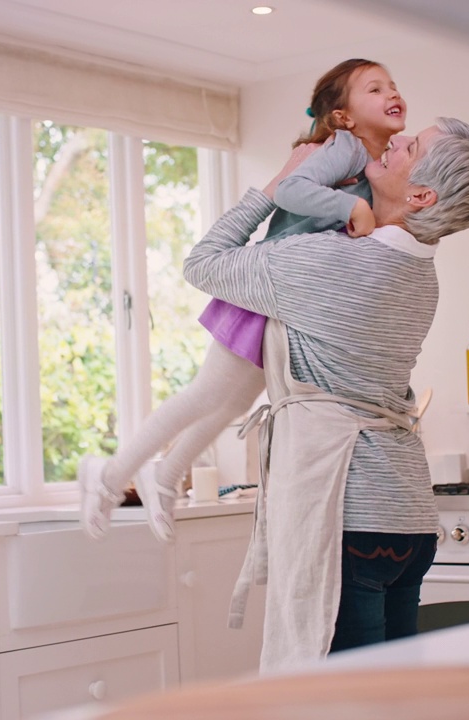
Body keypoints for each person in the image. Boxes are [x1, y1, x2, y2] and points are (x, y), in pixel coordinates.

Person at [183, 117, 469, 669]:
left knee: (344, 701)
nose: (396, 140)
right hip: (406, 517)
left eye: (412, 146)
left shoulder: (331, 263)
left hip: (348, 513)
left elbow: (203, 263)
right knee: (393, 700)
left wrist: (275, 185)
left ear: (421, 194)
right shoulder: (420, 275)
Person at [79, 59, 409, 542]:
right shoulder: (347, 148)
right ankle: (108, 475)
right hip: (266, 283)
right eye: (375, 89)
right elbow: (292, 189)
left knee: (233, 400)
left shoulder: (378, 158)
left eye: (393, 86)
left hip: (287, 299)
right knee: (206, 394)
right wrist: (351, 206)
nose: (391, 94)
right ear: (343, 117)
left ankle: (165, 474)